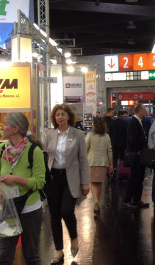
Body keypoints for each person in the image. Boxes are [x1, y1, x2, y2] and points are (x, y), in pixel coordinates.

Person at [0, 112, 46, 265]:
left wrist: (16, 179)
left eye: (5, 124)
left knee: (31, 255)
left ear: (15, 129)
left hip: (30, 208)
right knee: (5, 256)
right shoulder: (2, 148)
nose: (2, 126)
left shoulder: (35, 151)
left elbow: (39, 182)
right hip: (7, 207)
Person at [42, 104, 90, 264]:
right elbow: (45, 156)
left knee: (66, 211)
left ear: (69, 116)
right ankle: (58, 251)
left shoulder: (78, 134)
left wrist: (85, 182)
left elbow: (83, 160)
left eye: (62, 114)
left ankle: (74, 237)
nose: (60, 117)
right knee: (54, 215)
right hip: (54, 178)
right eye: (57, 115)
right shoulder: (49, 135)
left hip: (71, 178)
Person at [123, 104, 150, 209]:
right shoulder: (133, 122)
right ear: (139, 111)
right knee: (135, 178)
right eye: (144, 109)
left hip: (140, 154)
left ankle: (137, 199)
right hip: (136, 155)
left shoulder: (138, 121)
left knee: (140, 178)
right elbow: (132, 139)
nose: (146, 111)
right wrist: (139, 150)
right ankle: (127, 199)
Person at [86, 117, 113, 213]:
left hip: (92, 162)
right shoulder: (106, 136)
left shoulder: (90, 135)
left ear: (95, 126)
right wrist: (111, 165)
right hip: (103, 163)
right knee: (100, 183)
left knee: (93, 183)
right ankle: (98, 200)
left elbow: (85, 148)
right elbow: (110, 151)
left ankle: (96, 201)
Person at [110, 110, 128, 178]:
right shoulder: (125, 123)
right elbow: (127, 134)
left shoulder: (112, 123)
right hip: (123, 143)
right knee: (122, 157)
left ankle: (114, 169)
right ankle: (122, 170)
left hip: (114, 143)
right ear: (122, 115)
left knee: (114, 157)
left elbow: (110, 133)